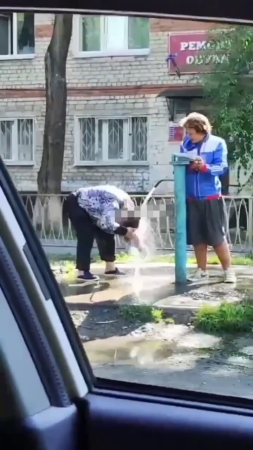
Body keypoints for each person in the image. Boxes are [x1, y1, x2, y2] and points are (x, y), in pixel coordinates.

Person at [179, 112, 236, 283]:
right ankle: (202, 272)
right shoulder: (187, 144)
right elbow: (180, 165)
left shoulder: (217, 143)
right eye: (187, 132)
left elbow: (222, 168)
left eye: (191, 132)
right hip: (192, 198)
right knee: (197, 238)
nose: (189, 136)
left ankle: (228, 272)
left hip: (211, 197)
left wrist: (204, 167)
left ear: (201, 129)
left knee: (217, 237)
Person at [65, 185, 140, 282]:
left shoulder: (126, 204)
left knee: (107, 233)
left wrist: (126, 232)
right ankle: (82, 272)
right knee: (86, 236)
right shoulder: (114, 203)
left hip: (93, 207)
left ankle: (110, 268)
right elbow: (108, 223)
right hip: (77, 203)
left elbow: (111, 224)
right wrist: (126, 232)